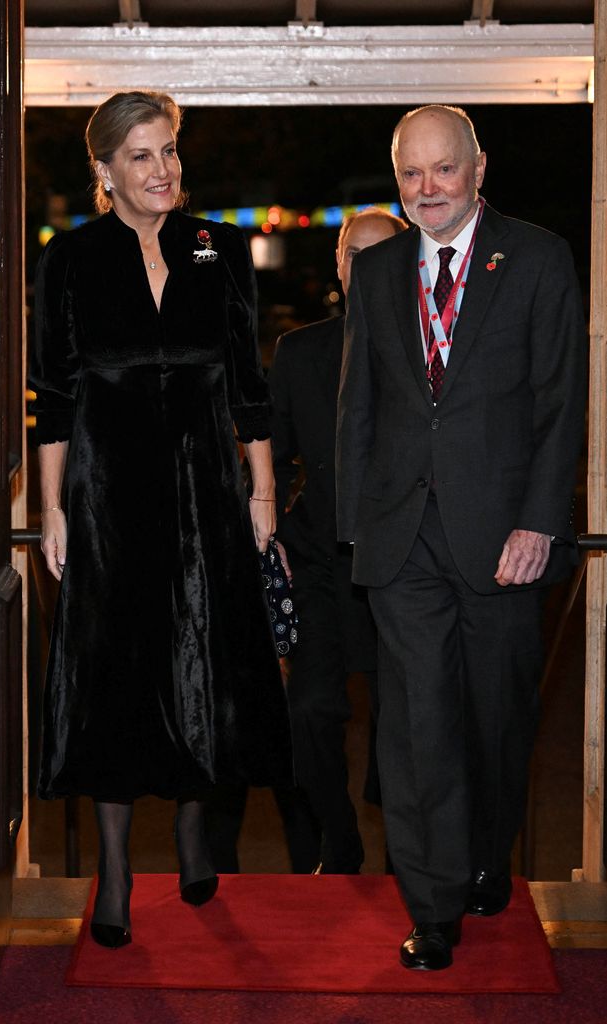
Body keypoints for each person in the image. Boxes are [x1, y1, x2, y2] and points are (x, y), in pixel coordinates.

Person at [29, 90, 293, 949]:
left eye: (169, 151)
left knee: (202, 664)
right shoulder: (70, 259)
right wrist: (50, 509)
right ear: (104, 169)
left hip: (206, 490)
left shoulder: (214, 246)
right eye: (140, 155)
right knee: (114, 670)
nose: (162, 170)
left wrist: (259, 495)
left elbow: (246, 381)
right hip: (108, 494)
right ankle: (112, 868)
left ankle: (190, 828)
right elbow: (57, 396)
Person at [336, 104, 586, 970]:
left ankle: (487, 851)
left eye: (443, 169)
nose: (427, 189)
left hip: (503, 542)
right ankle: (432, 900)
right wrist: (355, 532)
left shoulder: (541, 258)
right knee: (414, 729)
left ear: (478, 167)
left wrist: (538, 521)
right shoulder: (377, 273)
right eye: (411, 173)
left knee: (497, 721)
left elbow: (561, 405)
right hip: (405, 542)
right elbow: (356, 409)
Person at [269, 208, 407, 873]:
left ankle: (404, 849)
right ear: (338, 262)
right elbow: (270, 458)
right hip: (319, 562)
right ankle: (340, 841)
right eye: (354, 253)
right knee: (307, 715)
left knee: (404, 726)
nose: (365, 266)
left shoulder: (427, 352)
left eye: (381, 253)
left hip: (402, 569)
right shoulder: (299, 352)